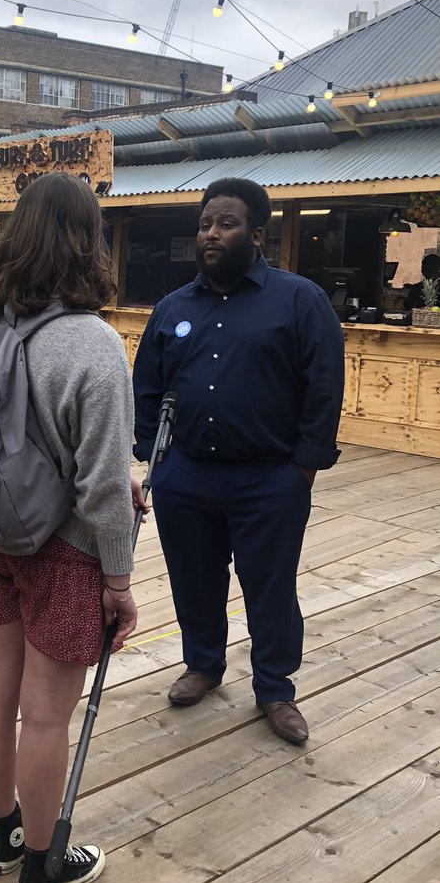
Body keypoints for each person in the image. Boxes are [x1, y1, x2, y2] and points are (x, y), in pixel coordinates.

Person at [0, 172, 143, 883]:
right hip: (65, 552)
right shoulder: (94, 343)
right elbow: (101, 486)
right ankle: (43, 863)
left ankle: (5, 833)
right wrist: (119, 582)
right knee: (46, 714)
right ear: (87, 240)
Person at [133, 177, 345, 745]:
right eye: (205, 224)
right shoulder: (173, 308)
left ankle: (275, 687)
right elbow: (147, 385)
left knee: (270, 588)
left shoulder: (300, 300)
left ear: (256, 234)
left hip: (269, 478)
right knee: (194, 580)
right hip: (186, 475)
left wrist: (302, 469)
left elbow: (324, 386)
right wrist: (154, 457)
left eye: (226, 224)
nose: (211, 233)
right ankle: (203, 664)